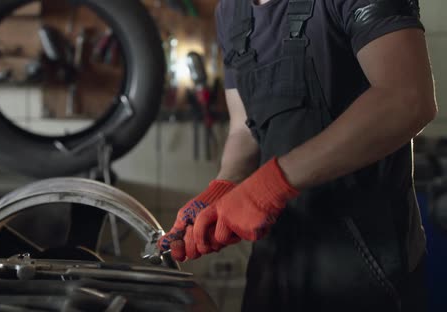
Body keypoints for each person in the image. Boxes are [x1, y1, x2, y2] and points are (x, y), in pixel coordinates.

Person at [159, 0, 436, 310]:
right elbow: (244, 129)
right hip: (276, 267)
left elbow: (407, 99)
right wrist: (223, 187)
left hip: (369, 270)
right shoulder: (231, 12)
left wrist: (271, 186)